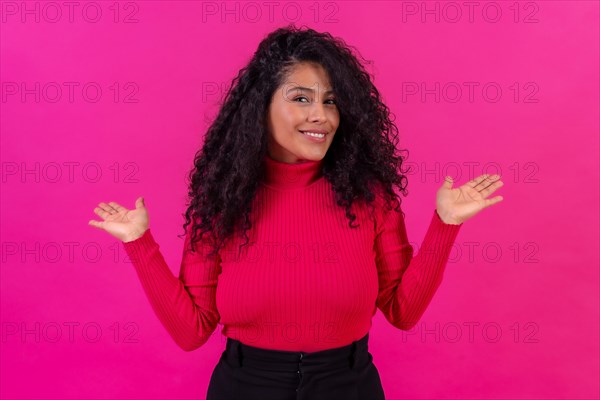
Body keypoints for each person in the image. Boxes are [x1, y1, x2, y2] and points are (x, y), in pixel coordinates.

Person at [88, 25, 504, 400]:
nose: (320, 115)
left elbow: (403, 311)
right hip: (246, 386)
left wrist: (445, 224)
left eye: (331, 101)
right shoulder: (221, 204)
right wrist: (137, 243)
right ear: (260, 108)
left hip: (348, 384)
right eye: (301, 98)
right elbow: (191, 330)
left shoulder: (370, 198)